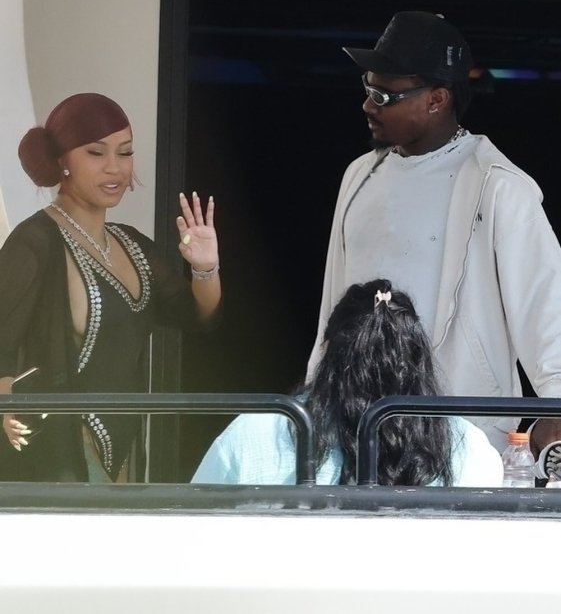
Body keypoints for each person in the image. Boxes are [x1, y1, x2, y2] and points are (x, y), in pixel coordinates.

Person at [307, 10, 561, 455]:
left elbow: (546, 308)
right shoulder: (360, 175)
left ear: (437, 99)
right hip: (355, 424)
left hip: (460, 431)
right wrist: (315, 394)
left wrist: (557, 408)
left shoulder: (499, 185)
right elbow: (334, 304)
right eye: (367, 88)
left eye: (384, 96)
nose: (368, 105)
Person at [0, 92, 221, 483]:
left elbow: (200, 317)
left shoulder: (133, 244)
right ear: (61, 160)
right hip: (60, 450)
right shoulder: (34, 242)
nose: (114, 168)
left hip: (127, 448)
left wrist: (206, 268)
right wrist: (7, 405)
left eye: (125, 152)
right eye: (95, 152)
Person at [192, 279, 503, 486]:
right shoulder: (468, 446)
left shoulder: (253, 431)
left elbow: (196, 529)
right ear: (419, 360)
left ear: (326, 349)